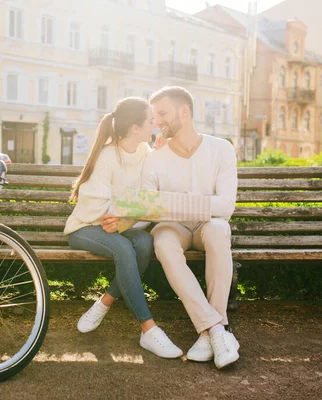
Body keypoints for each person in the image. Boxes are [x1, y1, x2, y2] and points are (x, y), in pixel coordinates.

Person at [64, 97, 183, 359]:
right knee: (124, 248)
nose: (155, 124)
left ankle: (104, 302)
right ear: (135, 128)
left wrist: (123, 216)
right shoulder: (108, 156)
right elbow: (97, 207)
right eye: (150, 120)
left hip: (117, 227)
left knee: (144, 244)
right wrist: (117, 215)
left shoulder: (146, 154)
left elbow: (148, 202)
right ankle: (148, 329)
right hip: (86, 227)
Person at [143, 86, 240, 369]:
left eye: (162, 113)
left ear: (184, 111)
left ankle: (209, 331)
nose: (156, 121)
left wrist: (173, 202)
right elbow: (149, 207)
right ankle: (217, 329)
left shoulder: (221, 148)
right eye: (153, 115)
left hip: (209, 225)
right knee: (162, 240)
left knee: (219, 230)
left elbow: (226, 207)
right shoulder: (154, 157)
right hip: (174, 228)